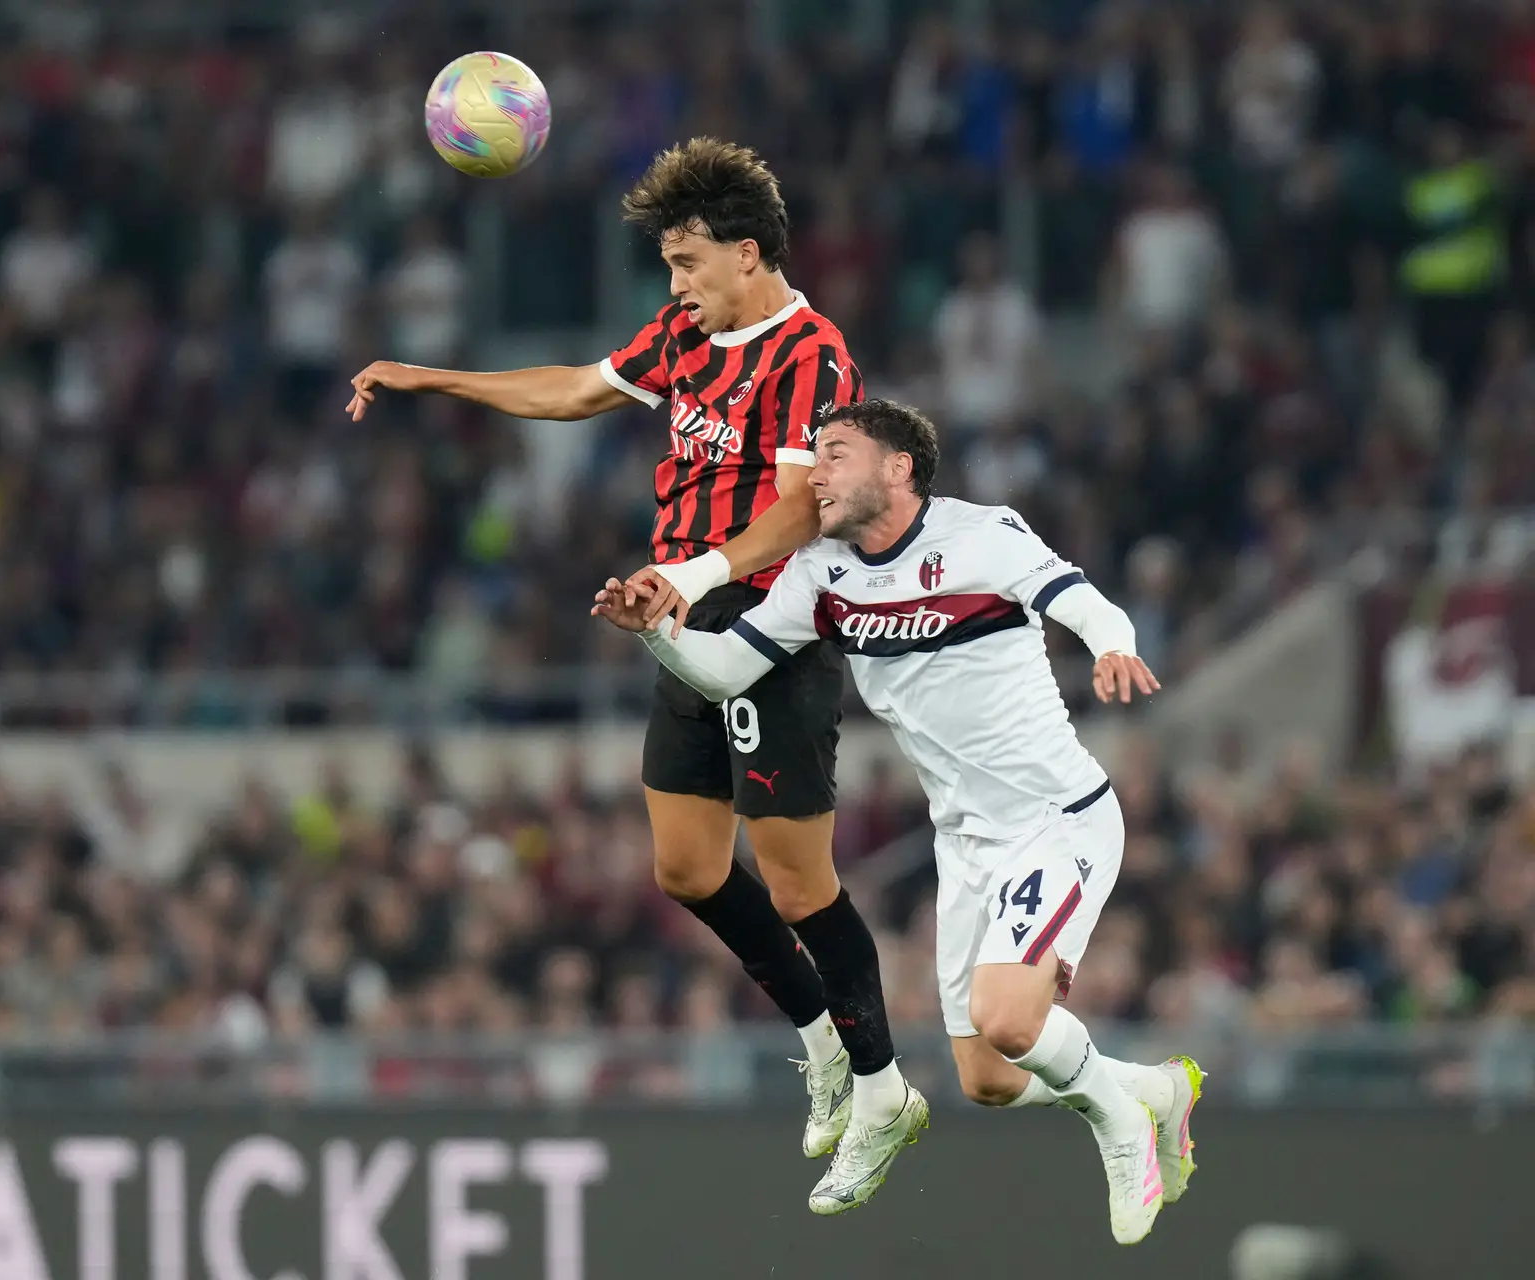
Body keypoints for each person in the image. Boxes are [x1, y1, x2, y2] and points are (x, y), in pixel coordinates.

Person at [349, 138, 898, 1203]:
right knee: (687, 868)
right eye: (668, 266)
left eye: (688, 264)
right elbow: (579, 388)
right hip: (684, 611)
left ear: (748, 253)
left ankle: (882, 1089)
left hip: (769, 624)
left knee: (795, 880)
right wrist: (435, 377)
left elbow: (800, 508)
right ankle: (826, 1044)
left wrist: (688, 574)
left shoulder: (811, 354)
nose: (675, 285)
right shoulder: (690, 330)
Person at [593, 398, 1202, 1240]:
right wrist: (658, 633)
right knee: (986, 1077)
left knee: (1009, 1019)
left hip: (1054, 820)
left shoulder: (983, 535)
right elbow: (729, 670)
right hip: (965, 845)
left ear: (898, 467)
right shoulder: (818, 571)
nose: (816, 473)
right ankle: (1155, 1090)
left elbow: (1082, 600)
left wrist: (1111, 643)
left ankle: (1116, 1120)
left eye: (835, 454)